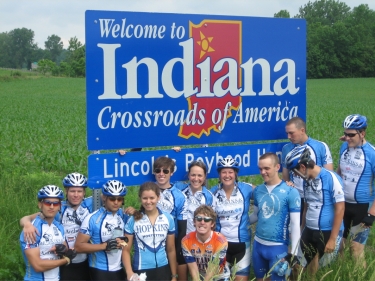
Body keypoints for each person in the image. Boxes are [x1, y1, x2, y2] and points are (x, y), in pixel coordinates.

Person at [20, 173, 92, 281]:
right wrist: (26, 224)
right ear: (66, 191)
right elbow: (29, 217)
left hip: (85, 260)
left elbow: (112, 196)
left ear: (84, 192)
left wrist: (122, 155)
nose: (76, 195)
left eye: (79, 191)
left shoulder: (90, 203)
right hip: (64, 263)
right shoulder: (58, 207)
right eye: (72, 191)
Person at [285, 145, 345, 276]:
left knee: (322, 270)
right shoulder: (307, 180)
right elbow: (307, 206)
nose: (295, 175)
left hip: (326, 231)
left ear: (302, 167)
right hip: (309, 229)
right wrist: (301, 230)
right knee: (297, 267)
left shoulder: (330, 178)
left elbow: (340, 208)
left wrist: (333, 239)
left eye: (294, 172)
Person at [250, 153, 301, 281]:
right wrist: (237, 223)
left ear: (277, 167)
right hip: (258, 246)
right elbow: (255, 216)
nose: (263, 172)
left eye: (267, 168)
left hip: (278, 247)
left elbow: (295, 224)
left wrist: (294, 253)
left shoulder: (291, 191)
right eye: (260, 169)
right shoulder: (258, 191)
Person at [337, 114, 375, 265]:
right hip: (344, 204)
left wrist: (371, 214)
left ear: (362, 133)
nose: (346, 138)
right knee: (341, 246)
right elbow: (339, 173)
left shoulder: (372, 153)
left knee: (356, 249)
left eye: (351, 135)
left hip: (362, 206)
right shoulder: (344, 147)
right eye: (345, 134)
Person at [122, 181, 178, 281]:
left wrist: (174, 275)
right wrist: (129, 272)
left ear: (158, 197)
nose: (148, 202)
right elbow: (125, 249)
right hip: (141, 269)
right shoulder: (133, 220)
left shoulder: (168, 218)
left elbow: (171, 249)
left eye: (152, 198)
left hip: (163, 269)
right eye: (145, 198)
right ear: (140, 199)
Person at [281, 117, 333, 223]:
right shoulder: (286, 148)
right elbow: (285, 174)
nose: (288, 137)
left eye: (291, 133)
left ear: (302, 130)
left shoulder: (320, 146)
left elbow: (329, 174)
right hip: (296, 197)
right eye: (287, 133)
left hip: (316, 197)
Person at [20, 185, 77, 281]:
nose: (51, 207)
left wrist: (64, 250)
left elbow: (64, 249)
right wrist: (66, 259)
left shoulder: (59, 226)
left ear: (59, 206)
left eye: (55, 204)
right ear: (40, 204)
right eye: (47, 203)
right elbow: (38, 266)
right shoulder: (32, 229)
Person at [74, 180, 129, 281]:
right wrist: (104, 246)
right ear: (104, 197)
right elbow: (78, 246)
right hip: (99, 270)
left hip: (119, 268)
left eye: (119, 199)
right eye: (112, 199)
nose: (116, 202)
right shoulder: (92, 219)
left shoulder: (123, 215)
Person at [210, 157, 253, 281]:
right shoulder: (213, 192)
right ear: (219, 175)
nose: (227, 175)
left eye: (230, 172)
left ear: (236, 174)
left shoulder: (246, 189)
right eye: (224, 172)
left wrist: (286, 184)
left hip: (242, 244)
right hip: (220, 245)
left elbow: (267, 193)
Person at [153, 156, 188, 281]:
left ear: (171, 173)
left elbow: (182, 227)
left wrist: (178, 251)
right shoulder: (149, 191)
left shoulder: (179, 196)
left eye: (165, 171)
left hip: (173, 241)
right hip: (152, 240)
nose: (161, 174)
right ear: (154, 172)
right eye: (158, 171)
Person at [181, 205, 230, 281]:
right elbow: (193, 269)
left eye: (207, 220)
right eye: (199, 219)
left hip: (220, 275)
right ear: (194, 222)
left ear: (212, 224)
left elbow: (213, 269)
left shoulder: (221, 241)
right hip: (200, 274)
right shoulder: (186, 241)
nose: (202, 222)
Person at [176, 161, 214, 234]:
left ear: (205, 176)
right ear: (188, 175)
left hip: (200, 238)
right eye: (193, 175)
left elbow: (211, 221)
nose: (196, 179)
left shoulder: (209, 196)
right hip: (181, 237)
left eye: (200, 175)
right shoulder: (180, 190)